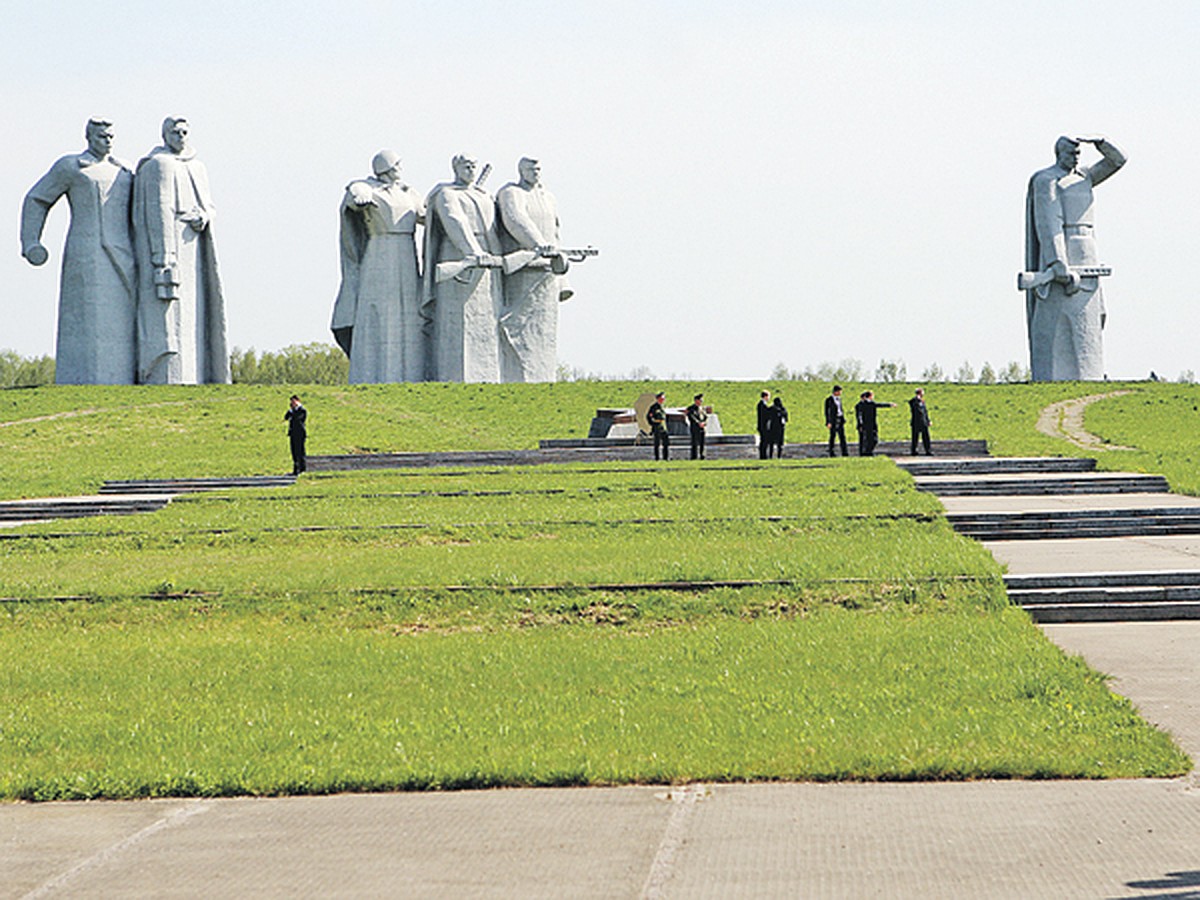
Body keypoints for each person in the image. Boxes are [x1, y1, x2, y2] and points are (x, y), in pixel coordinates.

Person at [20, 118, 137, 384]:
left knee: (123, 318)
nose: (107, 140)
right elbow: (37, 199)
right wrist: (31, 242)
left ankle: (124, 378)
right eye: (101, 136)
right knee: (88, 318)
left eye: (110, 136)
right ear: (89, 137)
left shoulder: (126, 170)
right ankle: (82, 378)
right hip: (86, 251)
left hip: (126, 253)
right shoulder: (71, 166)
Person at [133, 117, 230, 384]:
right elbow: (157, 209)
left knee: (193, 313)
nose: (181, 136)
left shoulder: (197, 166)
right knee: (169, 312)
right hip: (170, 245)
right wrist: (163, 254)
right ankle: (166, 375)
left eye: (185, 132)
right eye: (176, 132)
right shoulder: (158, 165)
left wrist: (204, 215)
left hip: (194, 245)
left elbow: (209, 204)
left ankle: (196, 375)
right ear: (165, 135)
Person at [1025, 135, 1126, 381]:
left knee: (1091, 320)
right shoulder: (1047, 180)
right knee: (1057, 320)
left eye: (1079, 153)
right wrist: (1057, 261)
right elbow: (1049, 222)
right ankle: (1054, 375)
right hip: (1065, 252)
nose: (1076, 156)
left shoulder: (1085, 177)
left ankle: (1089, 374)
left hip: (1088, 251)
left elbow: (1118, 161)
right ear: (1059, 153)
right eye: (1071, 152)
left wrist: (1101, 142)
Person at [330, 150, 426, 383]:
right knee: (378, 312)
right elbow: (355, 194)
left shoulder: (408, 192)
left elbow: (425, 215)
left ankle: (411, 374)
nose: (400, 168)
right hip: (379, 253)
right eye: (397, 164)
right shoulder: (367, 187)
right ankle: (373, 373)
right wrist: (359, 195)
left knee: (409, 312)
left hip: (406, 251)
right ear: (388, 167)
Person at [421, 154, 503, 382]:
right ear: (455, 168)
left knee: (485, 321)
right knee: (455, 322)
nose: (470, 169)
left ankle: (487, 376)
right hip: (459, 254)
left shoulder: (484, 194)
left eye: (473, 166)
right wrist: (473, 251)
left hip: (486, 257)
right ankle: (453, 376)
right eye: (465, 166)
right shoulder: (446, 194)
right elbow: (454, 221)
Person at [496, 157, 572, 383]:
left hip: (548, 271)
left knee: (544, 331)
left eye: (538, 168)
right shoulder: (511, 193)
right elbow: (515, 219)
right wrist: (538, 244)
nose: (535, 172)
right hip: (523, 271)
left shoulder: (548, 197)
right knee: (518, 326)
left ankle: (542, 378)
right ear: (521, 171)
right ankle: (518, 378)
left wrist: (562, 276)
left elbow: (556, 232)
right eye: (530, 168)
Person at [854, 390, 894, 457]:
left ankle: (868, 451)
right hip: (867, 425)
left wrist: (889, 405)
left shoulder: (871, 403)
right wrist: (860, 424)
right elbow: (859, 415)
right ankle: (867, 452)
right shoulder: (863, 404)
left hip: (873, 424)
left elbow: (879, 405)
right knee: (868, 439)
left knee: (874, 439)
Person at [285, 395, 307, 475]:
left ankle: (302, 468)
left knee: (300, 451)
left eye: (294, 402)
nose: (293, 404)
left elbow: (299, 419)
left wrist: (294, 412)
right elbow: (286, 417)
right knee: (293, 451)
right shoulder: (292, 411)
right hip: (293, 433)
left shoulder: (302, 410)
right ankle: (295, 469)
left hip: (300, 433)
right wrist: (291, 410)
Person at [824, 385, 848, 457]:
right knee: (833, 436)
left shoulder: (839, 399)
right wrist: (828, 422)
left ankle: (845, 452)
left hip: (840, 418)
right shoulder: (829, 400)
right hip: (833, 420)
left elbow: (840, 409)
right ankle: (832, 452)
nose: (840, 393)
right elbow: (826, 411)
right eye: (839, 391)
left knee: (842, 436)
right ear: (836, 392)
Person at [909, 387, 932, 455]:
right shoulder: (914, 401)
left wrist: (928, 420)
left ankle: (928, 450)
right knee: (915, 438)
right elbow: (911, 403)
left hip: (923, 422)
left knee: (926, 437)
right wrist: (917, 398)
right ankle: (914, 451)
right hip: (916, 422)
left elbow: (925, 412)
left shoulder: (922, 402)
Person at [647, 391, 669, 460]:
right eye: (662, 398)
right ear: (658, 398)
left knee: (666, 443)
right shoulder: (654, 407)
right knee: (657, 444)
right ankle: (657, 458)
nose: (663, 400)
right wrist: (653, 424)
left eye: (664, 398)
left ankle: (665, 457)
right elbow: (649, 417)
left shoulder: (662, 407)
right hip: (657, 427)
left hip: (663, 427)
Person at [686, 392, 708, 459]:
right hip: (695, 428)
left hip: (702, 427)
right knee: (694, 443)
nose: (701, 401)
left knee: (702, 442)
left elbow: (706, 417)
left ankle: (702, 455)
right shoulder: (691, 408)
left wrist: (704, 423)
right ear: (696, 400)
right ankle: (694, 456)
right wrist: (698, 423)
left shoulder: (702, 408)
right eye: (700, 400)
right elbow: (691, 417)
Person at [756, 390, 772, 459]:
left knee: (764, 441)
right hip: (763, 426)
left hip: (762, 425)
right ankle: (763, 455)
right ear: (765, 396)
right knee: (764, 441)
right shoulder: (762, 405)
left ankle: (764, 455)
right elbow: (765, 414)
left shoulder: (762, 404)